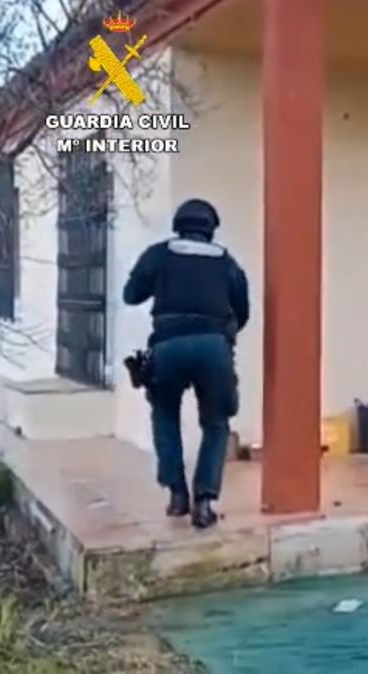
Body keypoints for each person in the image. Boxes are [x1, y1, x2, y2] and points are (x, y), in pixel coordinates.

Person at [123, 199, 250, 529]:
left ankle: (177, 494)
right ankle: (204, 502)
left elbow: (131, 295)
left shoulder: (158, 254)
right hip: (214, 348)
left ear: (178, 226)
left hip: (167, 346)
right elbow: (242, 311)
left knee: (165, 413)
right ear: (211, 229)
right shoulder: (227, 262)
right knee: (216, 423)